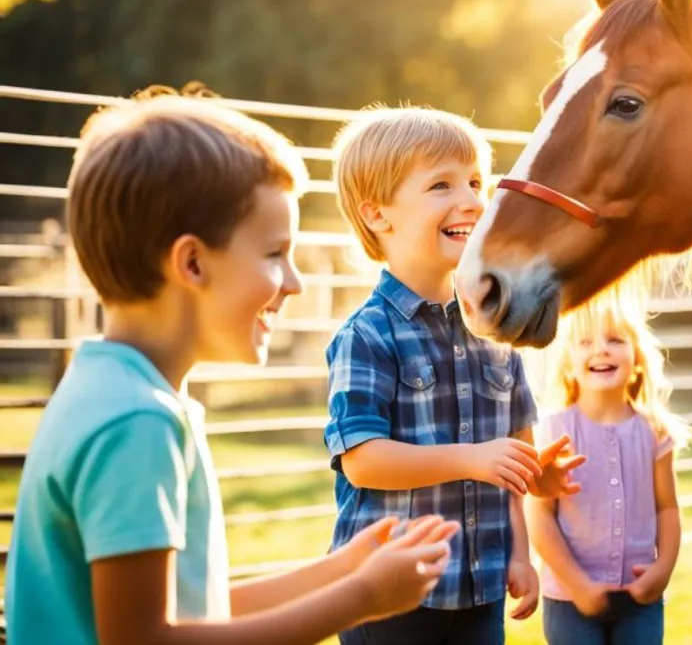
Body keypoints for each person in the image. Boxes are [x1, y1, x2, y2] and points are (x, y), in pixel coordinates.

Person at [5, 90, 461, 645]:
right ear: (192, 263)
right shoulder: (135, 424)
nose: (294, 282)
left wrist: (343, 569)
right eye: (274, 254)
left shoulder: (109, 390)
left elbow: (195, 611)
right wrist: (361, 598)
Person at [324, 106, 584, 645]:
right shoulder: (368, 335)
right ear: (378, 216)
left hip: (480, 588)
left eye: (474, 182)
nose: (470, 199)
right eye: (441, 185)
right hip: (389, 594)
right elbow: (365, 462)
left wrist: (529, 510)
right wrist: (473, 460)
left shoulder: (495, 331)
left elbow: (512, 458)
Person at [526, 289, 692, 645]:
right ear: (567, 365)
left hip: (640, 597)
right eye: (585, 342)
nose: (600, 349)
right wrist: (578, 584)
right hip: (570, 600)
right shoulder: (555, 430)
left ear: (637, 359)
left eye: (615, 340)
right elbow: (539, 516)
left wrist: (662, 572)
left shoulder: (654, 432)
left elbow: (667, 509)